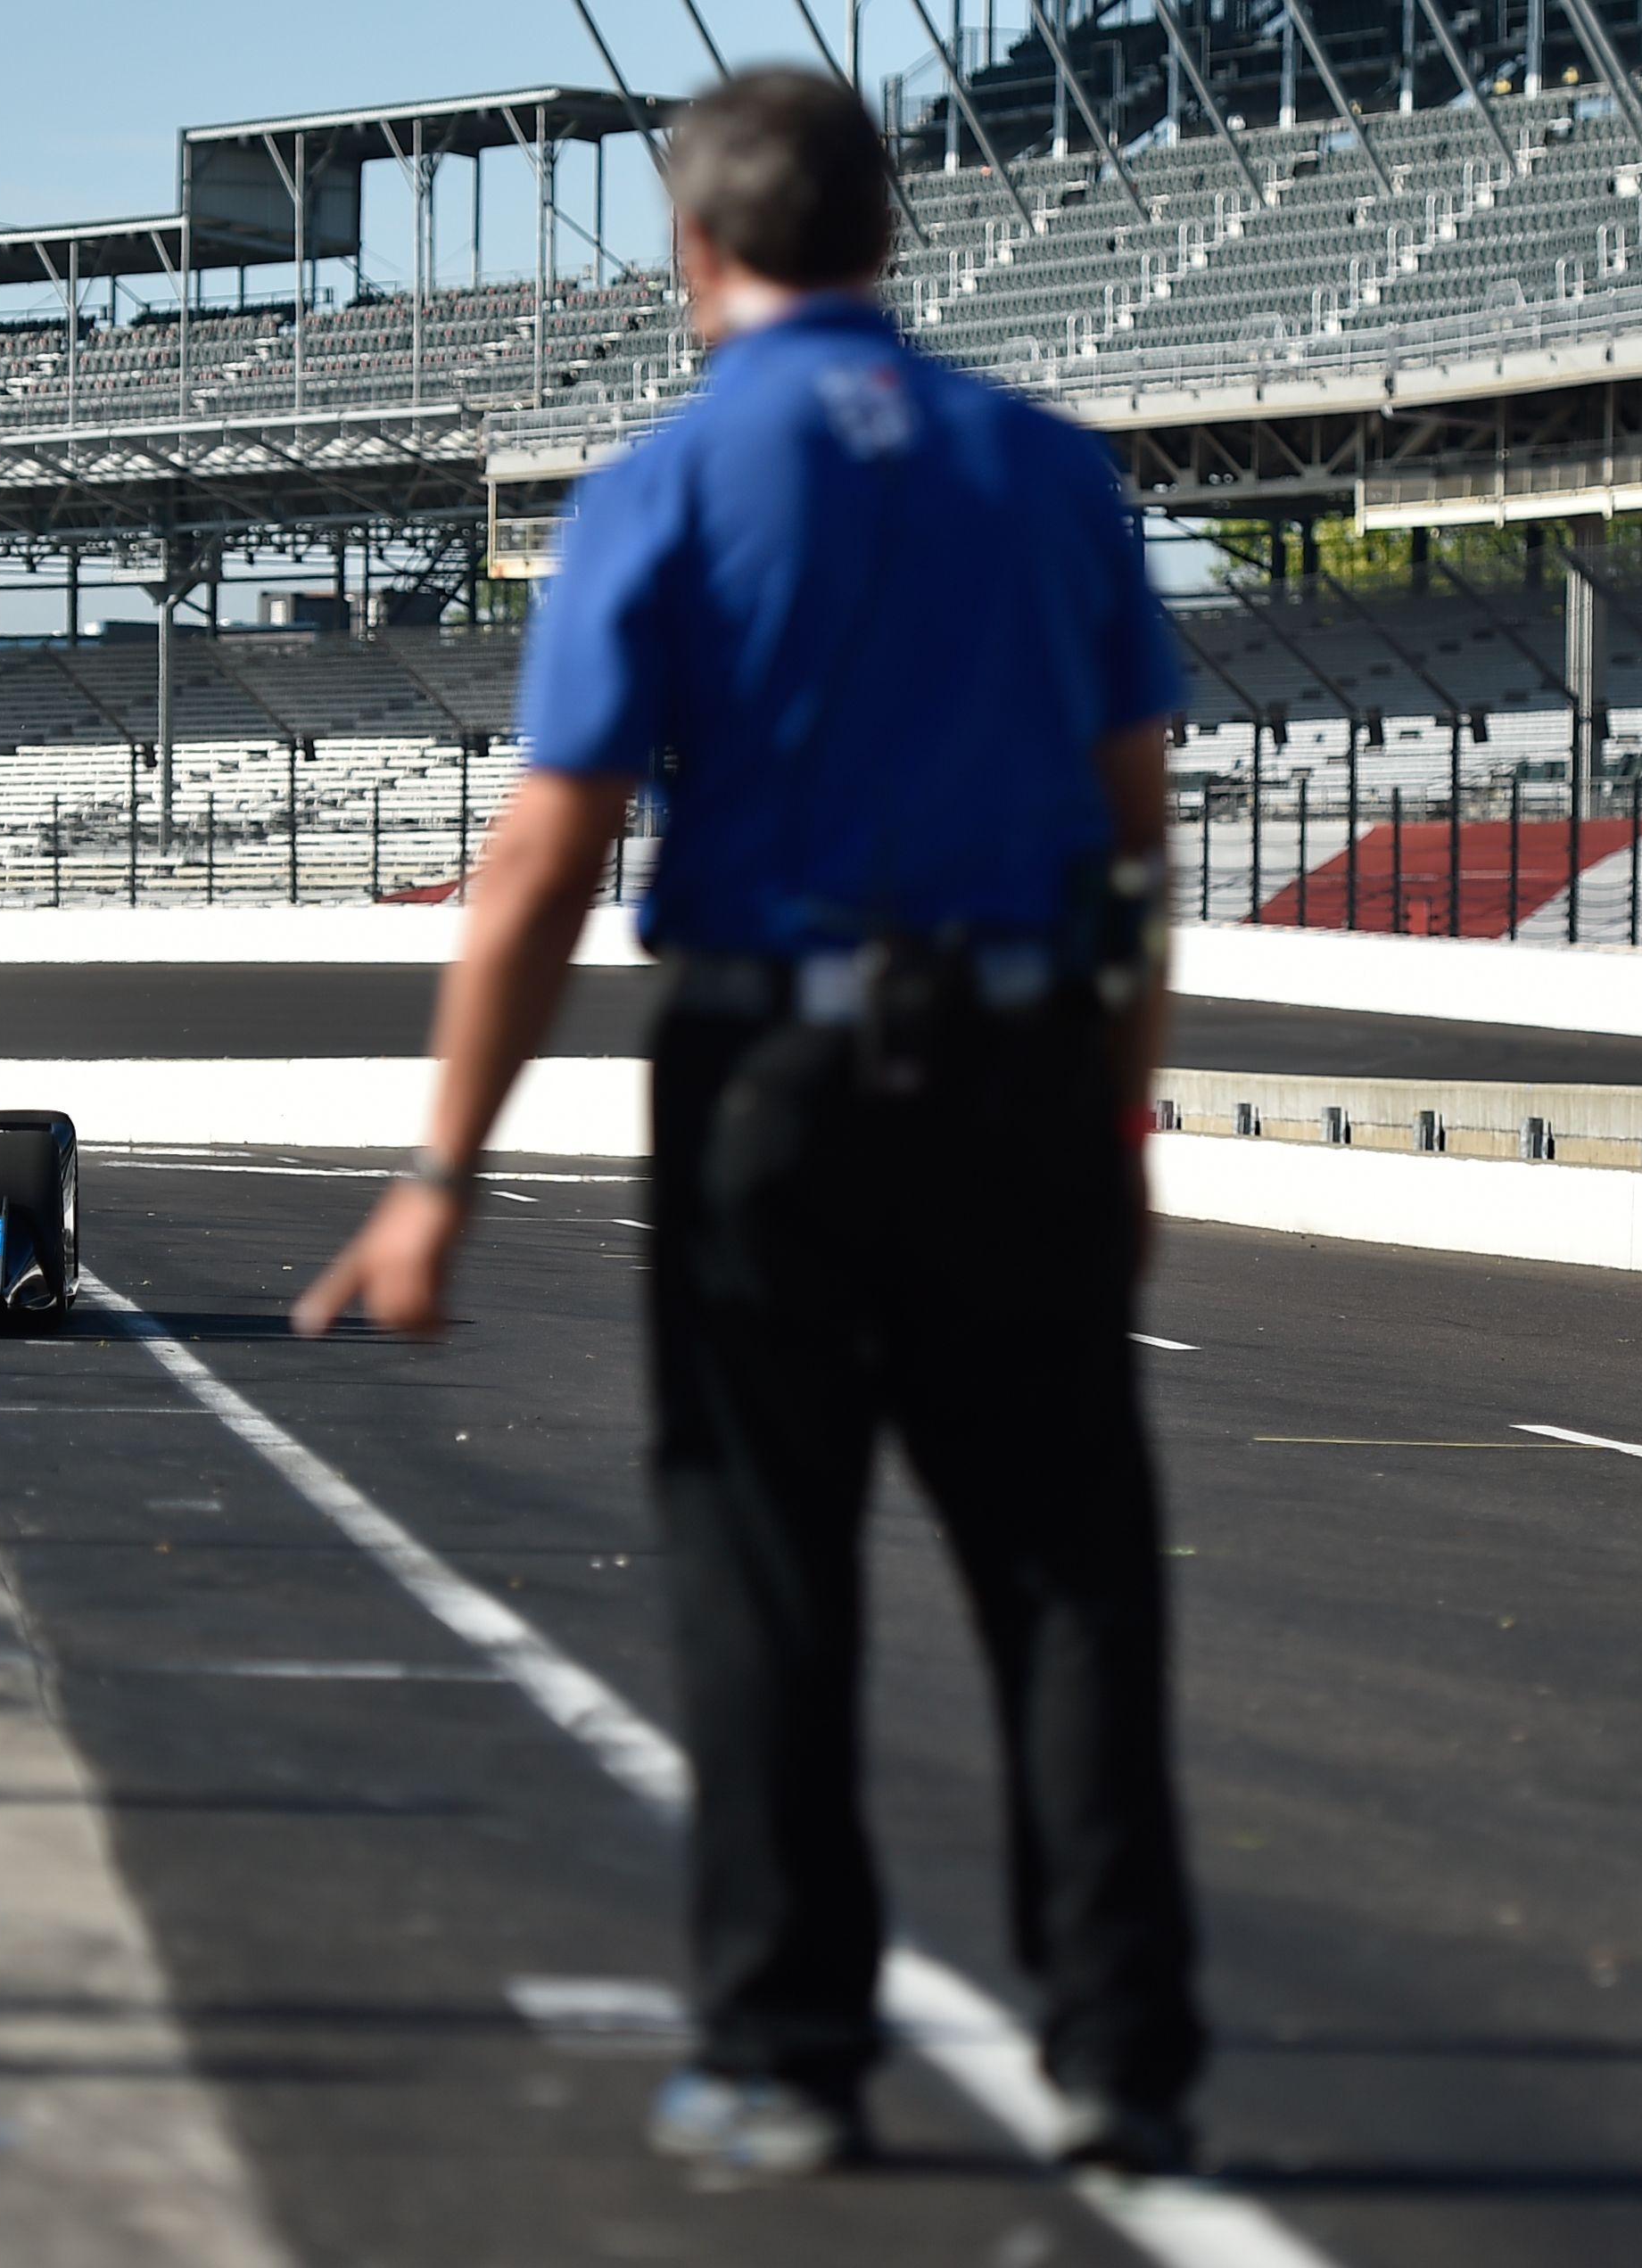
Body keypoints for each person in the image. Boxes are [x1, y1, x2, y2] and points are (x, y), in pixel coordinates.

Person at [292, 66, 1200, 2180]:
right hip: (1014, 1063)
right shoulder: (1056, 479)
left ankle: (789, 2053)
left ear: (693, 252)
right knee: (1067, 1569)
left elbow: (543, 861)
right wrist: (1115, 1109)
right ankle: (1127, 2056)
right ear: (886, 234)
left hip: (767, 1076)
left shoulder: (662, 486)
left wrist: (441, 1171)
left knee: (765, 1570)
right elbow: (1133, 840)